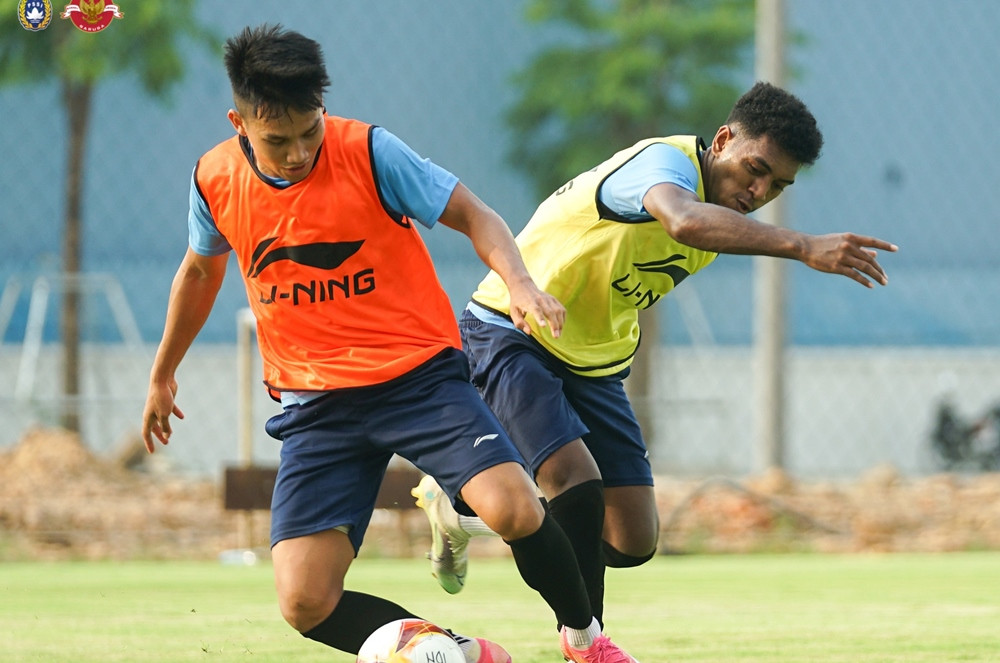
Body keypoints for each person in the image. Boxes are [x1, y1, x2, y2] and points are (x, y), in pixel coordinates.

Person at [140, 24, 641, 663]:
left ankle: (584, 640)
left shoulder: (370, 151)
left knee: (515, 509)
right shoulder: (213, 179)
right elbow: (200, 271)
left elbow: (474, 214)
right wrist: (162, 373)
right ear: (239, 121)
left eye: (308, 132)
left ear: (323, 109)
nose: (297, 153)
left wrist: (518, 282)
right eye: (277, 140)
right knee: (304, 601)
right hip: (317, 404)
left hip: (419, 380)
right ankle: (450, 649)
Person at [413, 81, 898, 629]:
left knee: (631, 538)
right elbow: (682, 220)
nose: (759, 191)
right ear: (722, 140)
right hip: (514, 326)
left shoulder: (722, 211)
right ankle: (586, 641)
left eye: (777, 185)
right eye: (755, 169)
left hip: (593, 359)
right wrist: (804, 245)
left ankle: (464, 506)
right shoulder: (661, 166)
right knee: (575, 481)